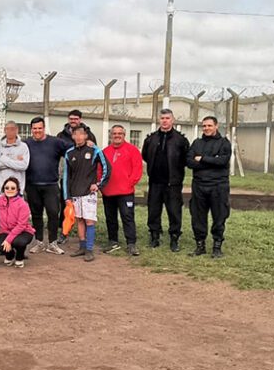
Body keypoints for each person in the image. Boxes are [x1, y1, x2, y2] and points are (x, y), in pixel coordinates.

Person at [141, 109, 190, 252]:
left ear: (172, 120)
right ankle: (154, 236)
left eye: (167, 118)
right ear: (159, 120)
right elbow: (145, 156)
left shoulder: (180, 140)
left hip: (173, 183)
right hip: (155, 182)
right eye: (162, 118)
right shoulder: (151, 139)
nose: (164, 121)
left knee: (174, 212)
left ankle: (174, 238)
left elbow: (185, 159)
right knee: (153, 211)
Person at [186, 116, 232, 258]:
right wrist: (213, 160)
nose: (206, 128)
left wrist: (202, 159)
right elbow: (189, 162)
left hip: (218, 186)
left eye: (209, 125)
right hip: (199, 185)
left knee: (219, 216)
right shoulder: (197, 143)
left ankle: (217, 247)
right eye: (204, 126)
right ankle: (200, 246)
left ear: (216, 126)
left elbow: (223, 161)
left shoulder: (224, 143)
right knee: (198, 217)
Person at [63, 126, 110, 262]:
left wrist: (99, 184)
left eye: (81, 134)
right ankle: (82, 247)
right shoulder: (69, 153)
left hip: (89, 194)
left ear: (86, 136)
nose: (78, 137)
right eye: (75, 134)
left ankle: (90, 249)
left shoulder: (94, 150)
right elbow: (66, 177)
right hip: (75, 193)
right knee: (80, 220)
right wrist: (67, 197)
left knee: (89, 221)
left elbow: (107, 168)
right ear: (72, 136)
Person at [23, 117, 69, 255]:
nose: (37, 131)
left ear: (44, 128)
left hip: (51, 185)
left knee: (53, 213)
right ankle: (39, 242)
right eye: (34, 128)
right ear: (31, 130)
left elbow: (73, 149)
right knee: (36, 215)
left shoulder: (55, 142)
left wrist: (88, 144)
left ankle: (52, 243)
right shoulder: (26, 143)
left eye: (40, 128)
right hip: (32, 185)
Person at [101, 124, 143, 256]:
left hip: (125, 192)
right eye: (114, 133)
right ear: (111, 135)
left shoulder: (132, 150)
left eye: (120, 133)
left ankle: (131, 243)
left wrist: (129, 183)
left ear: (124, 135)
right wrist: (101, 185)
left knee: (127, 217)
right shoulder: (105, 151)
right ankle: (113, 241)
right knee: (110, 218)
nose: (117, 136)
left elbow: (137, 169)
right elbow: (99, 169)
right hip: (108, 192)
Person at [0, 177, 35, 268]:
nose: (9, 190)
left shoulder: (23, 204)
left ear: (17, 190)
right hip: (5, 231)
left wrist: (8, 240)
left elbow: (21, 225)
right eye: (7, 188)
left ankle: (19, 257)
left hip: (23, 231)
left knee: (18, 242)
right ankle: (10, 256)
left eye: (13, 188)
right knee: (1, 248)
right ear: (3, 189)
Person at [0, 120, 30, 195]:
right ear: (4, 131)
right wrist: (15, 161)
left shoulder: (23, 146)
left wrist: (4, 159)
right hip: (0, 191)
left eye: (12, 129)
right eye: (7, 129)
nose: (9, 131)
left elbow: (24, 166)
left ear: (17, 130)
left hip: (17, 190)